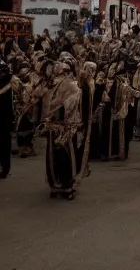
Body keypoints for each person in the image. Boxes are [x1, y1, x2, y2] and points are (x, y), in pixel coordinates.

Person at [41, 53, 82, 200]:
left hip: (66, 128)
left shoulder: (73, 87)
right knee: (52, 158)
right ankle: (54, 185)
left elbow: (71, 108)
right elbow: (45, 105)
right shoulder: (50, 86)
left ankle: (67, 186)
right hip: (53, 127)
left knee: (66, 157)